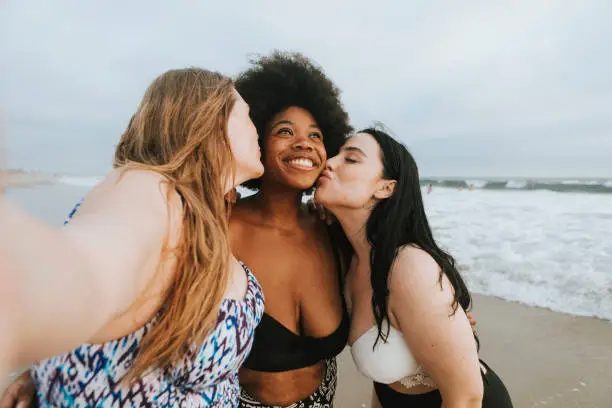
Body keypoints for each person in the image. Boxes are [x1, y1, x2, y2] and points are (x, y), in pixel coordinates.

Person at [0, 68, 265, 407]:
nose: (258, 127)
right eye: (247, 115)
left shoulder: (204, 215)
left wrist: (44, 368)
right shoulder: (149, 189)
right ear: (209, 119)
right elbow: (101, 257)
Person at [314, 127, 513, 407]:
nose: (330, 162)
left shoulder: (409, 267)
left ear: (385, 187)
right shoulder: (351, 261)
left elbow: (466, 398)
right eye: (335, 155)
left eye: (351, 159)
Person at [231, 51, 352, 408]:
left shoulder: (334, 231)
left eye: (316, 135)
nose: (305, 144)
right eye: (285, 131)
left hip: (322, 398)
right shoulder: (221, 228)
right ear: (256, 142)